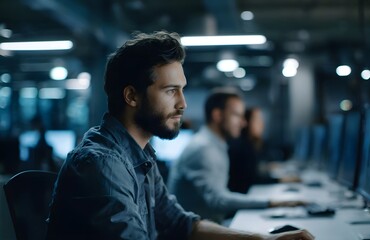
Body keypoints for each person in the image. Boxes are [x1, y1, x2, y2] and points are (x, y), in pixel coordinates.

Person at [45, 31, 314, 240]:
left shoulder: (140, 155)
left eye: (182, 89)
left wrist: (262, 238)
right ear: (131, 96)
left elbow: (180, 224)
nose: (183, 104)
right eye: (170, 90)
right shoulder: (102, 164)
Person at [167, 89, 307, 224]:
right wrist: (271, 202)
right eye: (237, 115)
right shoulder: (204, 149)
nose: (243, 122)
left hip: (210, 226)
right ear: (218, 115)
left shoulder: (215, 144)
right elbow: (218, 200)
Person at [228, 107, 301, 194]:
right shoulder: (241, 147)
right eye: (257, 120)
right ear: (247, 123)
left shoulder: (252, 144)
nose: (262, 125)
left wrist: (267, 167)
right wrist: (281, 179)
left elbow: (253, 170)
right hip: (243, 196)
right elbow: (252, 178)